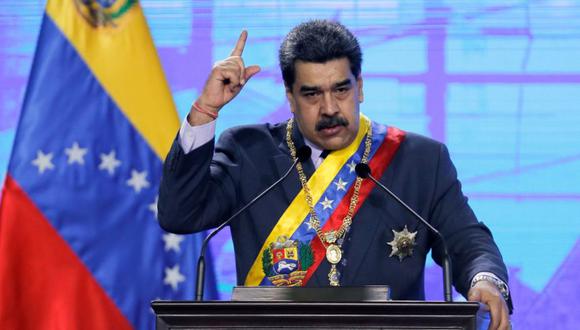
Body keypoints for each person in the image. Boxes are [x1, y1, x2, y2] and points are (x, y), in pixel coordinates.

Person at [158, 20, 512, 329]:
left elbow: (468, 240)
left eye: (340, 90)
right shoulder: (248, 152)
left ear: (360, 87)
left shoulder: (419, 159)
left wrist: (485, 280)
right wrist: (205, 111)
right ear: (290, 97)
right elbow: (180, 214)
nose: (329, 109)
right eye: (311, 94)